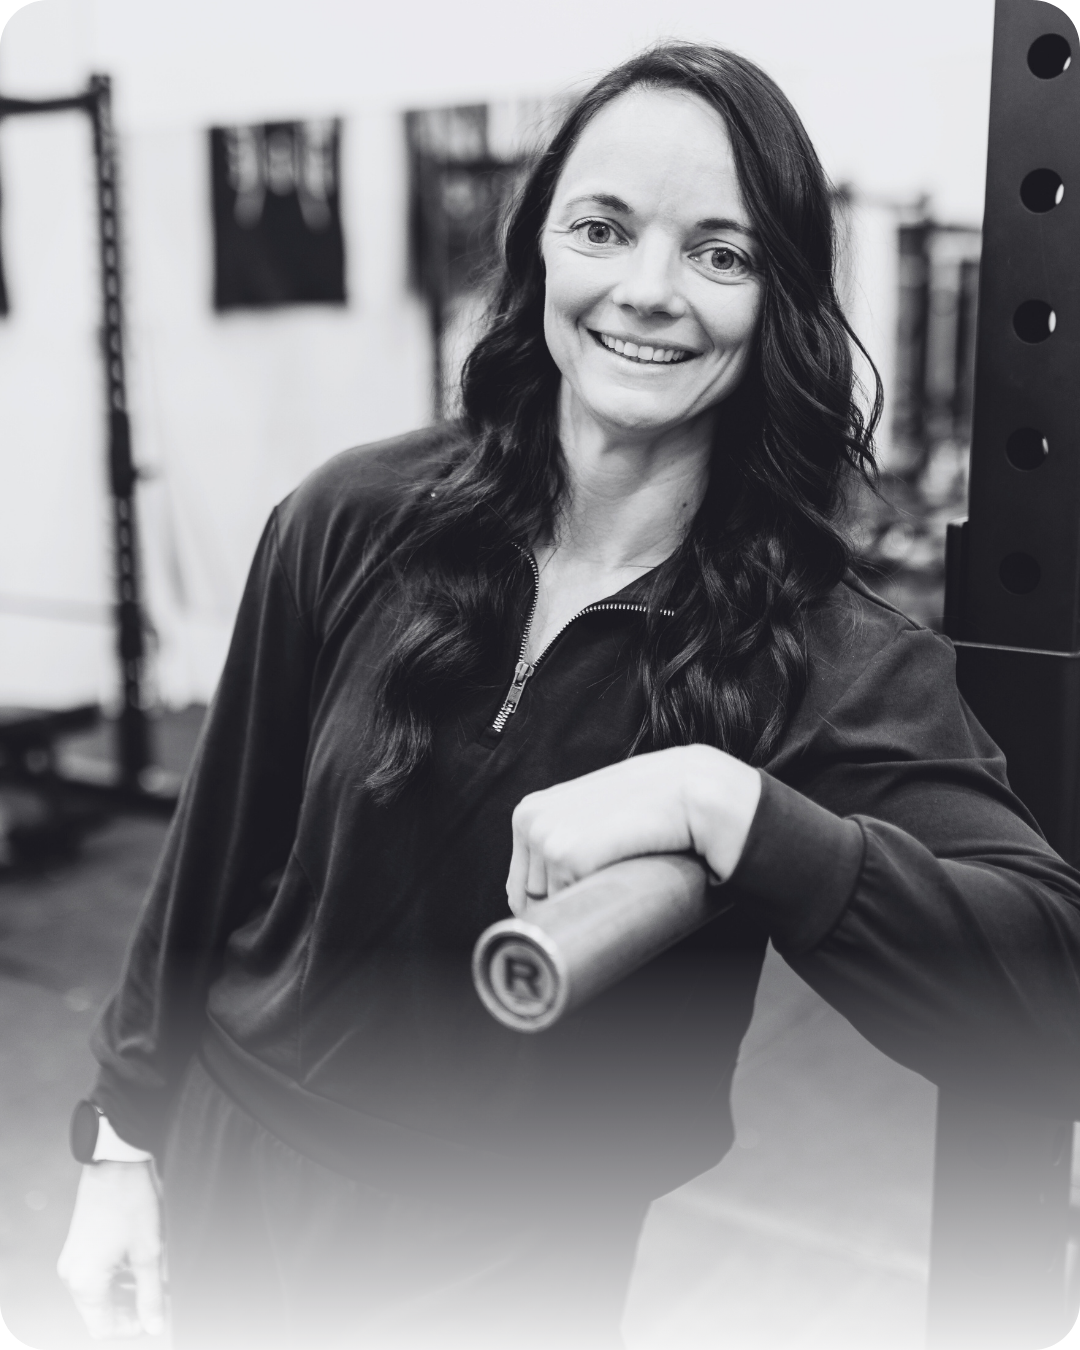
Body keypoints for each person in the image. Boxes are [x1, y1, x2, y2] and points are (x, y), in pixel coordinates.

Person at [58, 41, 1080, 1350]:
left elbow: (1048, 999)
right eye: (604, 228)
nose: (648, 293)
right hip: (232, 1180)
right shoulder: (351, 516)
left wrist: (734, 808)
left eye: (721, 252)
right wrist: (118, 1140)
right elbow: (214, 853)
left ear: (782, 300)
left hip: (511, 1270)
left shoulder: (828, 653)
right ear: (541, 244)